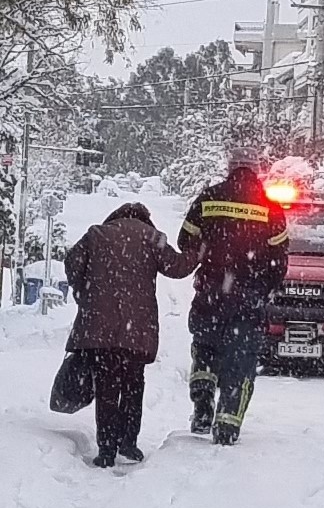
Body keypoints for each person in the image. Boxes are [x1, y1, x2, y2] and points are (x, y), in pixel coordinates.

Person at [64, 202, 195, 468]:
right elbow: (178, 268)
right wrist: (200, 249)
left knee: (106, 387)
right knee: (134, 384)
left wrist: (84, 292)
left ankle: (106, 450)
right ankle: (129, 442)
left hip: (100, 327)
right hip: (138, 329)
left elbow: (72, 262)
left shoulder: (97, 234)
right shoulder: (151, 237)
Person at [177, 149, 288, 444]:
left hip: (210, 294)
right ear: (255, 171)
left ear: (231, 169)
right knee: (241, 361)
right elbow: (279, 259)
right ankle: (227, 426)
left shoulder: (208, 198)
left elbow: (185, 241)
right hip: (248, 299)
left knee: (205, 347)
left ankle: (202, 401)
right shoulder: (270, 208)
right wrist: (265, 287)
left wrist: (211, 258)